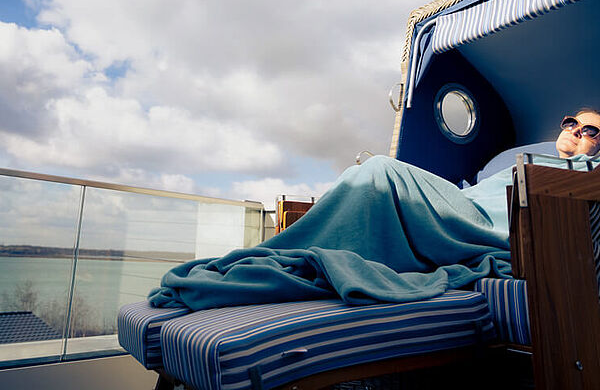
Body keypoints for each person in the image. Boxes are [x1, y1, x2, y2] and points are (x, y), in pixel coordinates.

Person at [149, 109, 600, 310]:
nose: (577, 132)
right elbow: (474, 191)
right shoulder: (514, 158)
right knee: (367, 172)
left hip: (483, 227)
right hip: (461, 205)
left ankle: (288, 255)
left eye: (590, 131)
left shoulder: (584, 176)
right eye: (570, 123)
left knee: (381, 171)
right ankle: (289, 255)